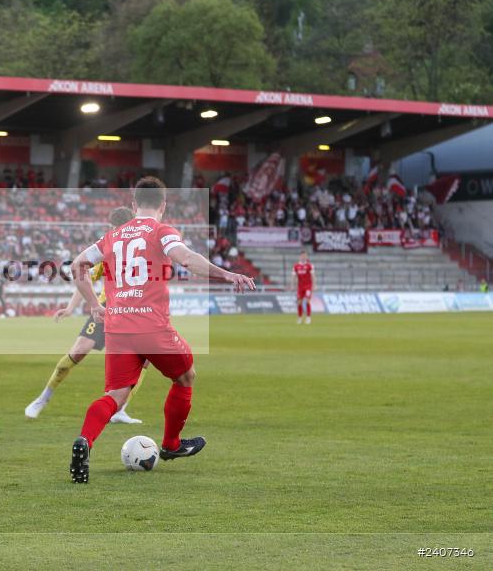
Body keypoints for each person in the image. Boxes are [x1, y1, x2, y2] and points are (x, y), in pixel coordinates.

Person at [67, 177, 255, 483]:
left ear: (133, 204)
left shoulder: (112, 236)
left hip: (117, 326)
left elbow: (77, 265)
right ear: (163, 205)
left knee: (115, 395)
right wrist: (226, 273)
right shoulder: (161, 230)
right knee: (185, 376)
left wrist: (92, 304)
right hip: (151, 325)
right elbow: (188, 260)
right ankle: (170, 444)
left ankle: (84, 442)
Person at [25, 207, 145, 424]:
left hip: (133, 312)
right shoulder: (108, 252)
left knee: (143, 361)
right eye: (115, 229)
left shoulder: (142, 253)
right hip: (106, 309)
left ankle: (121, 409)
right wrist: (71, 308)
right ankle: (42, 398)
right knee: (79, 351)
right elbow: (83, 277)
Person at [292, 250, 315, 324]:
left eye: (305, 255)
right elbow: (294, 276)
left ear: (306, 256)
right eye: (302, 255)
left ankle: (308, 317)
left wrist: (314, 285)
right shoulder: (296, 266)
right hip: (300, 287)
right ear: (300, 256)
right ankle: (300, 317)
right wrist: (293, 285)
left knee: (308, 300)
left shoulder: (309, 265)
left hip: (308, 286)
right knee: (299, 302)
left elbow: (313, 276)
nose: (303, 257)